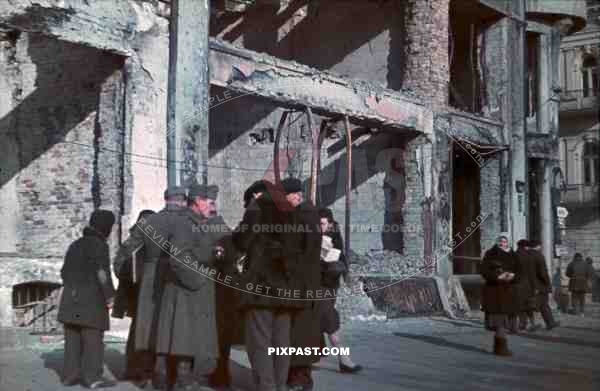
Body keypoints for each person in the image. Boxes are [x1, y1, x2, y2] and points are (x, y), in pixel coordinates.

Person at [232, 178, 309, 391]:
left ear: (257, 194)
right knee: (282, 342)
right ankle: (280, 385)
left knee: (260, 341)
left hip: (261, 286)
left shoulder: (259, 206)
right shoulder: (293, 212)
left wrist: (239, 233)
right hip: (286, 287)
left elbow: (243, 241)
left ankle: (266, 387)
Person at [112, 186, 188, 390]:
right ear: (182, 201)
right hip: (179, 283)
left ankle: (147, 375)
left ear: (166, 200)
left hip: (149, 283)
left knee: (147, 329)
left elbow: (124, 255)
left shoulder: (148, 223)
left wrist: (130, 280)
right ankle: (176, 378)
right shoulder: (188, 222)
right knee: (176, 329)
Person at [154, 183, 228, 390]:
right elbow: (178, 258)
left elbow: (201, 247)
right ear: (198, 201)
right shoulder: (184, 223)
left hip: (193, 289)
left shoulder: (199, 222)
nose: (212, 206)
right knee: (183, 337)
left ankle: (180, 379)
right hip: (186, 290)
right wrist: (199, 279)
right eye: (209, 202)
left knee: (188, 338)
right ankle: (181, 381)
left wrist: (216, 251)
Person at [209, 180, 268, 388]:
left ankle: (226, 375)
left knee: (248, 335)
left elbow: (237, 244)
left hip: (240, 287)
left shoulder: (252, 216)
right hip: (259, 286)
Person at [57, 209, 117, 389]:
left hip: (70, 298)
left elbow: (63, 272)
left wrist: (73, 288)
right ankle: (93, 378)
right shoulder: (99, 245)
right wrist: (110, 296)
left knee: (72, 337)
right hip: (91, 300)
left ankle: (70, 375)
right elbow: (102, 273)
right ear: (106, 227)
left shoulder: (75, 244)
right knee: (92, 339)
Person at [286, 178, 322, 391]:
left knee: (301, 331)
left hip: (302, 284)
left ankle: (301, 377)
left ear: (295, 195)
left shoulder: (304, 216)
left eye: (286, 196)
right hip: (304, 283)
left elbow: (304, 252)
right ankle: (297, 374)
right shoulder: (306, 214)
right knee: (299, 331)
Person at [112, 209, 156, 387]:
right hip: (144, 294)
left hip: (135, 293)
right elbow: (120, 266)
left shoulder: (132, 240)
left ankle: (133, 369)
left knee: (137, 332)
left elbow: (118, 265)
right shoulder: (142, 241)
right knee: (147, 332)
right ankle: (143, 371)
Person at [317, 208, 361, 373]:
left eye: (322, 223)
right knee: (327, 320)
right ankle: (344, 359)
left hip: (329, 284)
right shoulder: (313, 235)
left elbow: (342, 259)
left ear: (329, 223)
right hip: (317, 285)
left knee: (325, 318)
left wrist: (343, 273)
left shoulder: (335, 237)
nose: (319, 227)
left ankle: (339, 358)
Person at [480, 235, 520, 356]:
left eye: (505, 241)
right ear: (497, 242)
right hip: (495, 292)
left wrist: (513, 276)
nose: (503, 243)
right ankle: (501, 348)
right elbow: (483, 271)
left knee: (505, 322)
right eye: (500, 241)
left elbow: (521, 272)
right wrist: (497, 277)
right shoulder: (490, 254)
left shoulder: (514, 255)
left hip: (509, 291)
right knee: (500, 321)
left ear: (508, 242)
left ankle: (499, 347)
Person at [528, 240, 559, 330]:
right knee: (543, 304)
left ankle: (549, 323)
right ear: (538, 246)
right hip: (540, 285)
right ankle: (548, 323)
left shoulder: (526, 255)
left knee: (537, 305)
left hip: (528, 284)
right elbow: (543, 273)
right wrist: (548, 284)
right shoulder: (538, 256)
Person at [514, 239, 538, 331]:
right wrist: (534, 286)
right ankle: (532, 323)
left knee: (520, 306)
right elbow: (532, 272)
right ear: (525, 246)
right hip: (528, 285)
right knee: (529, 305)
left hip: (517, 284)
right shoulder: (529, 256)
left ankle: (522, 324)